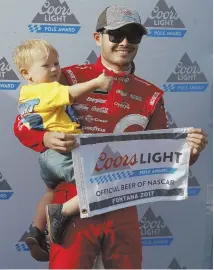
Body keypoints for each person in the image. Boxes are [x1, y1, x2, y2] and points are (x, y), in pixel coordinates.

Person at [13, 5, 208, 269]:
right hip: (71, 206)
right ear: (98, 38)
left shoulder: (151, 95)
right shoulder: (67, 77)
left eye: (133, 35)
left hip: (123, 206)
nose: (125, 42)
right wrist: (46, 139)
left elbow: (161, 158)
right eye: (116, 35)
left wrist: (190, 154)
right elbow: (23, 122)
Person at [13, 39, 113, 260]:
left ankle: (36, 229)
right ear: (27, 74)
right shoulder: (47, 89)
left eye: (56, 63)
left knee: (50, 192)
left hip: (47, 159)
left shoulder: (26, 94)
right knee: (97, 181)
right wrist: (97, 81)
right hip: (62, 153)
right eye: (46, 65)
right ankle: (62, 213)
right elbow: (69, 93)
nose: (55, 69)